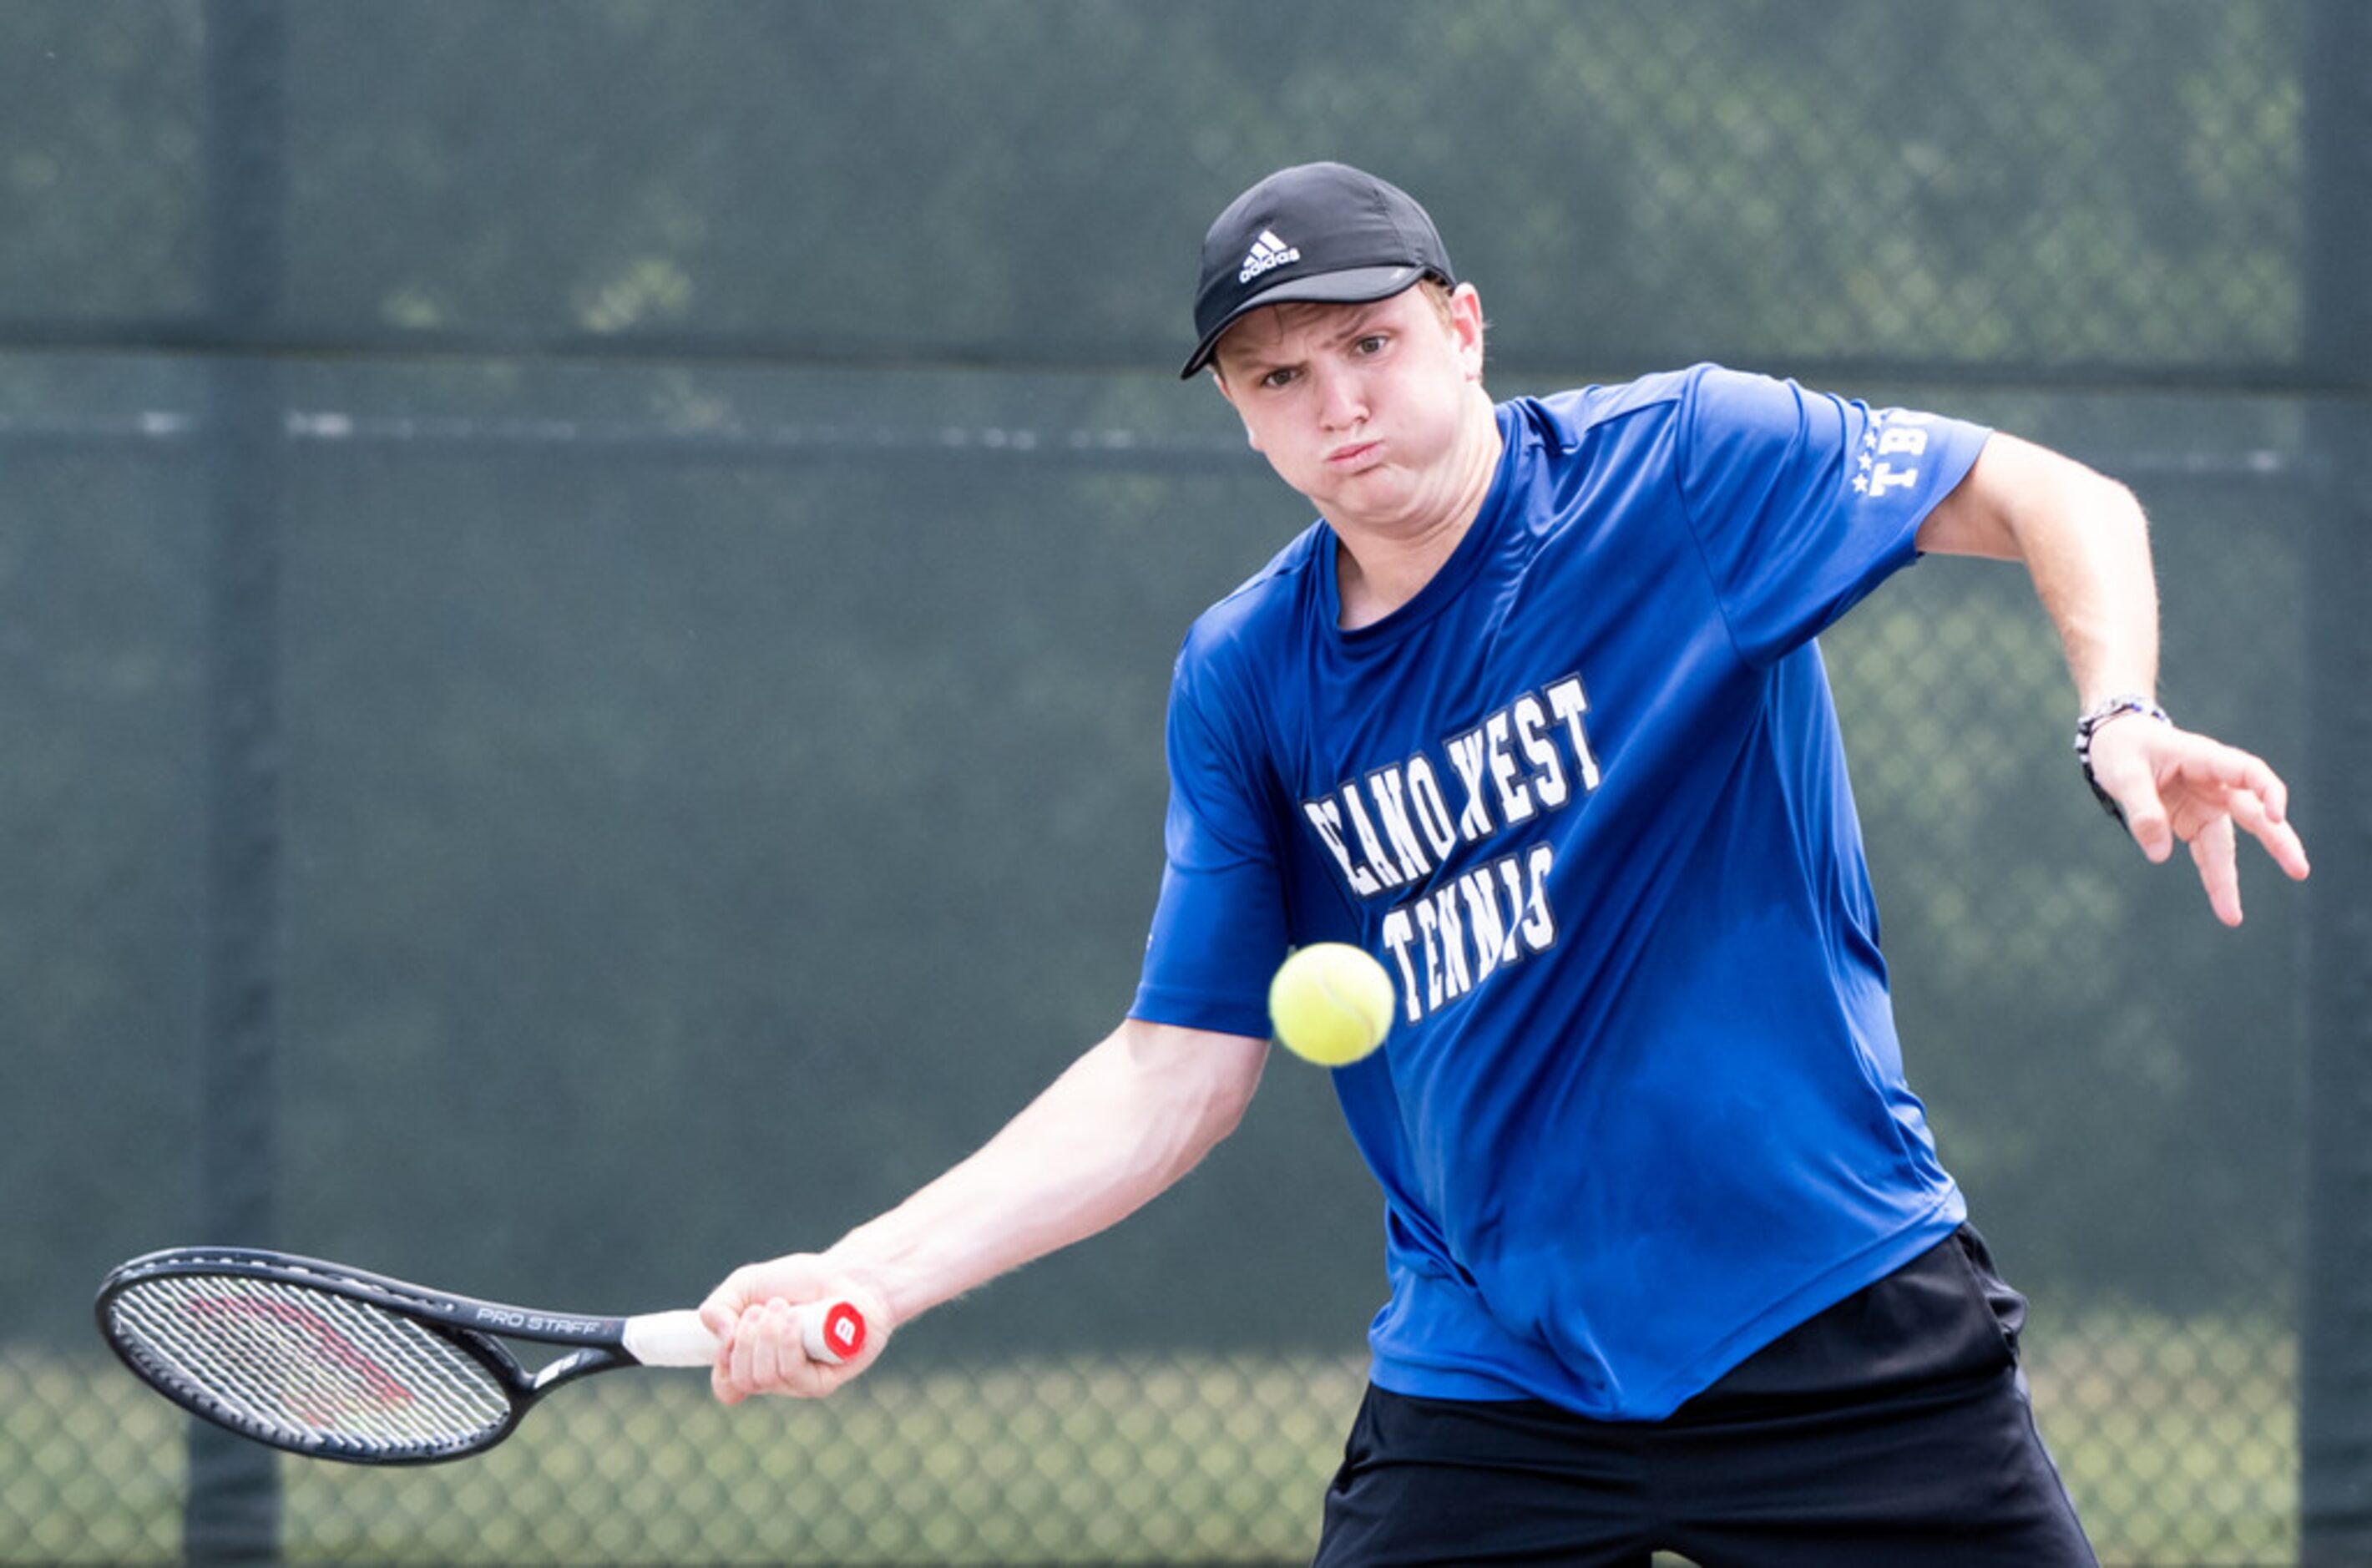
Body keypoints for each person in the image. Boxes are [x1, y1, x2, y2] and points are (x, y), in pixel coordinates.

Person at [698, 163, 2311, 1565]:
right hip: (1497, 1376)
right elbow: (1174, 1065)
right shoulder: (1246, 675)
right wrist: (871, 1273)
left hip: (1830, 1307)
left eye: (1367, 344)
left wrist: (2117, 710)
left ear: (1463, 327)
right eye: (1274, 377)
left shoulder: (1681, 469)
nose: (1334, 403)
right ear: (1237, 415)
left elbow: (2046, 492)